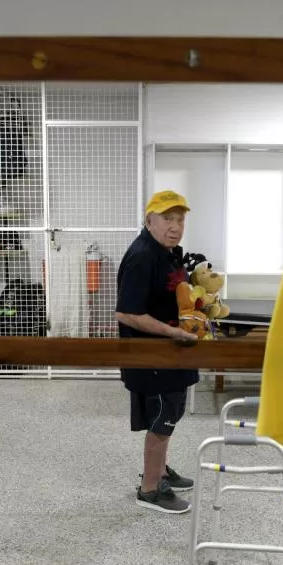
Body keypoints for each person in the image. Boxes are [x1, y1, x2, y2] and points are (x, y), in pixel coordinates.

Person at [115, 190, 200, 514]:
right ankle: (150, 489)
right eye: (167, 218)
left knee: (171, 413)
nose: (175, 226)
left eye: (180, 219)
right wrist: (173, 332)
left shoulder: (167, 251)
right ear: (149, 220)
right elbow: (127, 313)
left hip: (171, 353)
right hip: (152, 357)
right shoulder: (143, 256)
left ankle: (160, 471)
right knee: (163, 419)